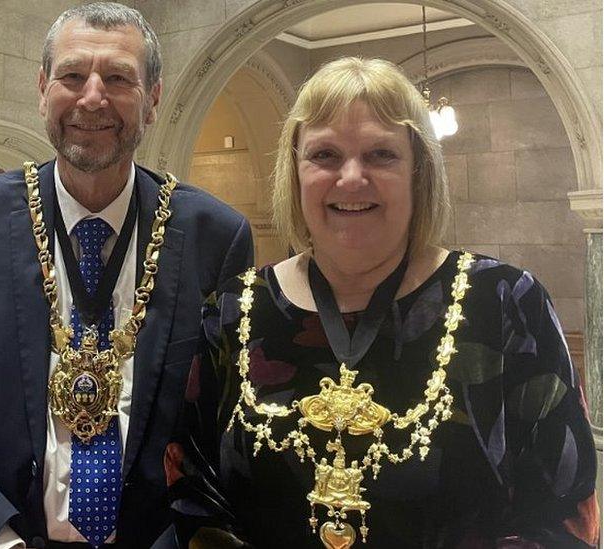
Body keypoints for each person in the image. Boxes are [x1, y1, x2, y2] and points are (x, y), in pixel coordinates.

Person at [165, 57, 599, 548]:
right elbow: (193, 490)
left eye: (380, 154)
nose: (351, 178)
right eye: (325, 155)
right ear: (295, 172)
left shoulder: (505, 305)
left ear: (419, 172)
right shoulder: (232, 311)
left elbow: (561, 510)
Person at [0, 3, 254, 548]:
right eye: (71, 75)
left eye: (117, 77)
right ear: (43, 88)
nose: (92, 97)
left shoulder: (216, 236)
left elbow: (224, 431)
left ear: (153, 98)